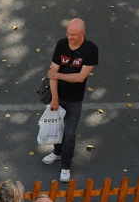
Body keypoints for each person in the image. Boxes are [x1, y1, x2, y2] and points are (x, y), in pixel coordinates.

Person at [41, 18, 99, 183]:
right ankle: (57, 152)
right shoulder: (61, 45)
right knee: (56, 127)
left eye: (74, 34)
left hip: (75, 99)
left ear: (83, 33)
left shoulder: (91, 50)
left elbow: (80, 77)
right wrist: (55, 98)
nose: (70, 37)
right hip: (58, 95)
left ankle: (66, 165)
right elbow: (51, 72)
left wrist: (58, 75)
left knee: (70, 133)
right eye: (68, 33)